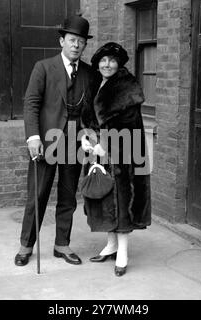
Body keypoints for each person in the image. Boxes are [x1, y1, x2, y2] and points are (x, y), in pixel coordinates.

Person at [15, 15, 93, 266]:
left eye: (81, 41)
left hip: (75, 144)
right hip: (45, 142)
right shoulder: (44, 67)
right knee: (37, 195)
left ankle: (62, 244)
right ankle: (26, 246)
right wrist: (33, 137)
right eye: (72, 40)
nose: (76, 45)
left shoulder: (89, 73)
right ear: (62, 41)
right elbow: (31, 104)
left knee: (68, 197)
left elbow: (91, 110)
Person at [80, 42, 151, 276]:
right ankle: (110, 246)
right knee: (104, 200)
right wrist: (85, 139)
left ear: (118, 63)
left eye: (111, 60)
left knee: (121, 203)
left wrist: (106, 146)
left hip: (121, 156)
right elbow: (87, 120)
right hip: (97, 153)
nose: (106, 65)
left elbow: (129, 127)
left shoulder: (126, 88)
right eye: (103, 60)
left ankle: (122, 253)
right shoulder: (95, 83)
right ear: (97, 63)